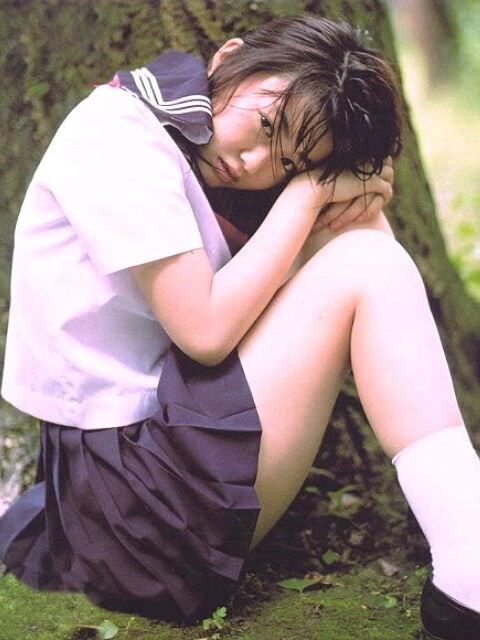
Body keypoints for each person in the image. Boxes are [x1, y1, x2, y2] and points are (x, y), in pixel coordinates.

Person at [0, 14, 478, 638]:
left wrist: (346, 197)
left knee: (365, 249)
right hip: (131, 516)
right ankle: (471, 565)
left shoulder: (188, 148)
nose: (254, 162)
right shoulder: (118, 136)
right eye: (267, 125)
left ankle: (468, 546)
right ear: (226, 59)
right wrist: (308, 193)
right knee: (369, 262)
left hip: (148, 468)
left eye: (289, 161)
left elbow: (351, 268)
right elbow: (204, 332)